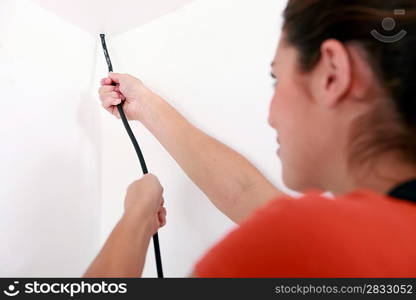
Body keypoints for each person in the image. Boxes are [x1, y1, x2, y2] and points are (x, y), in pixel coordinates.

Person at [84, 0, 416, 277]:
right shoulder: (377, 240)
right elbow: (245, 194)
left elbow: (286, 230)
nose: (271, 114)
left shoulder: (318, 249)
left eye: (276, 78)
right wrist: (146, 106)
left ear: (332, 75)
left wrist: (136, 218)